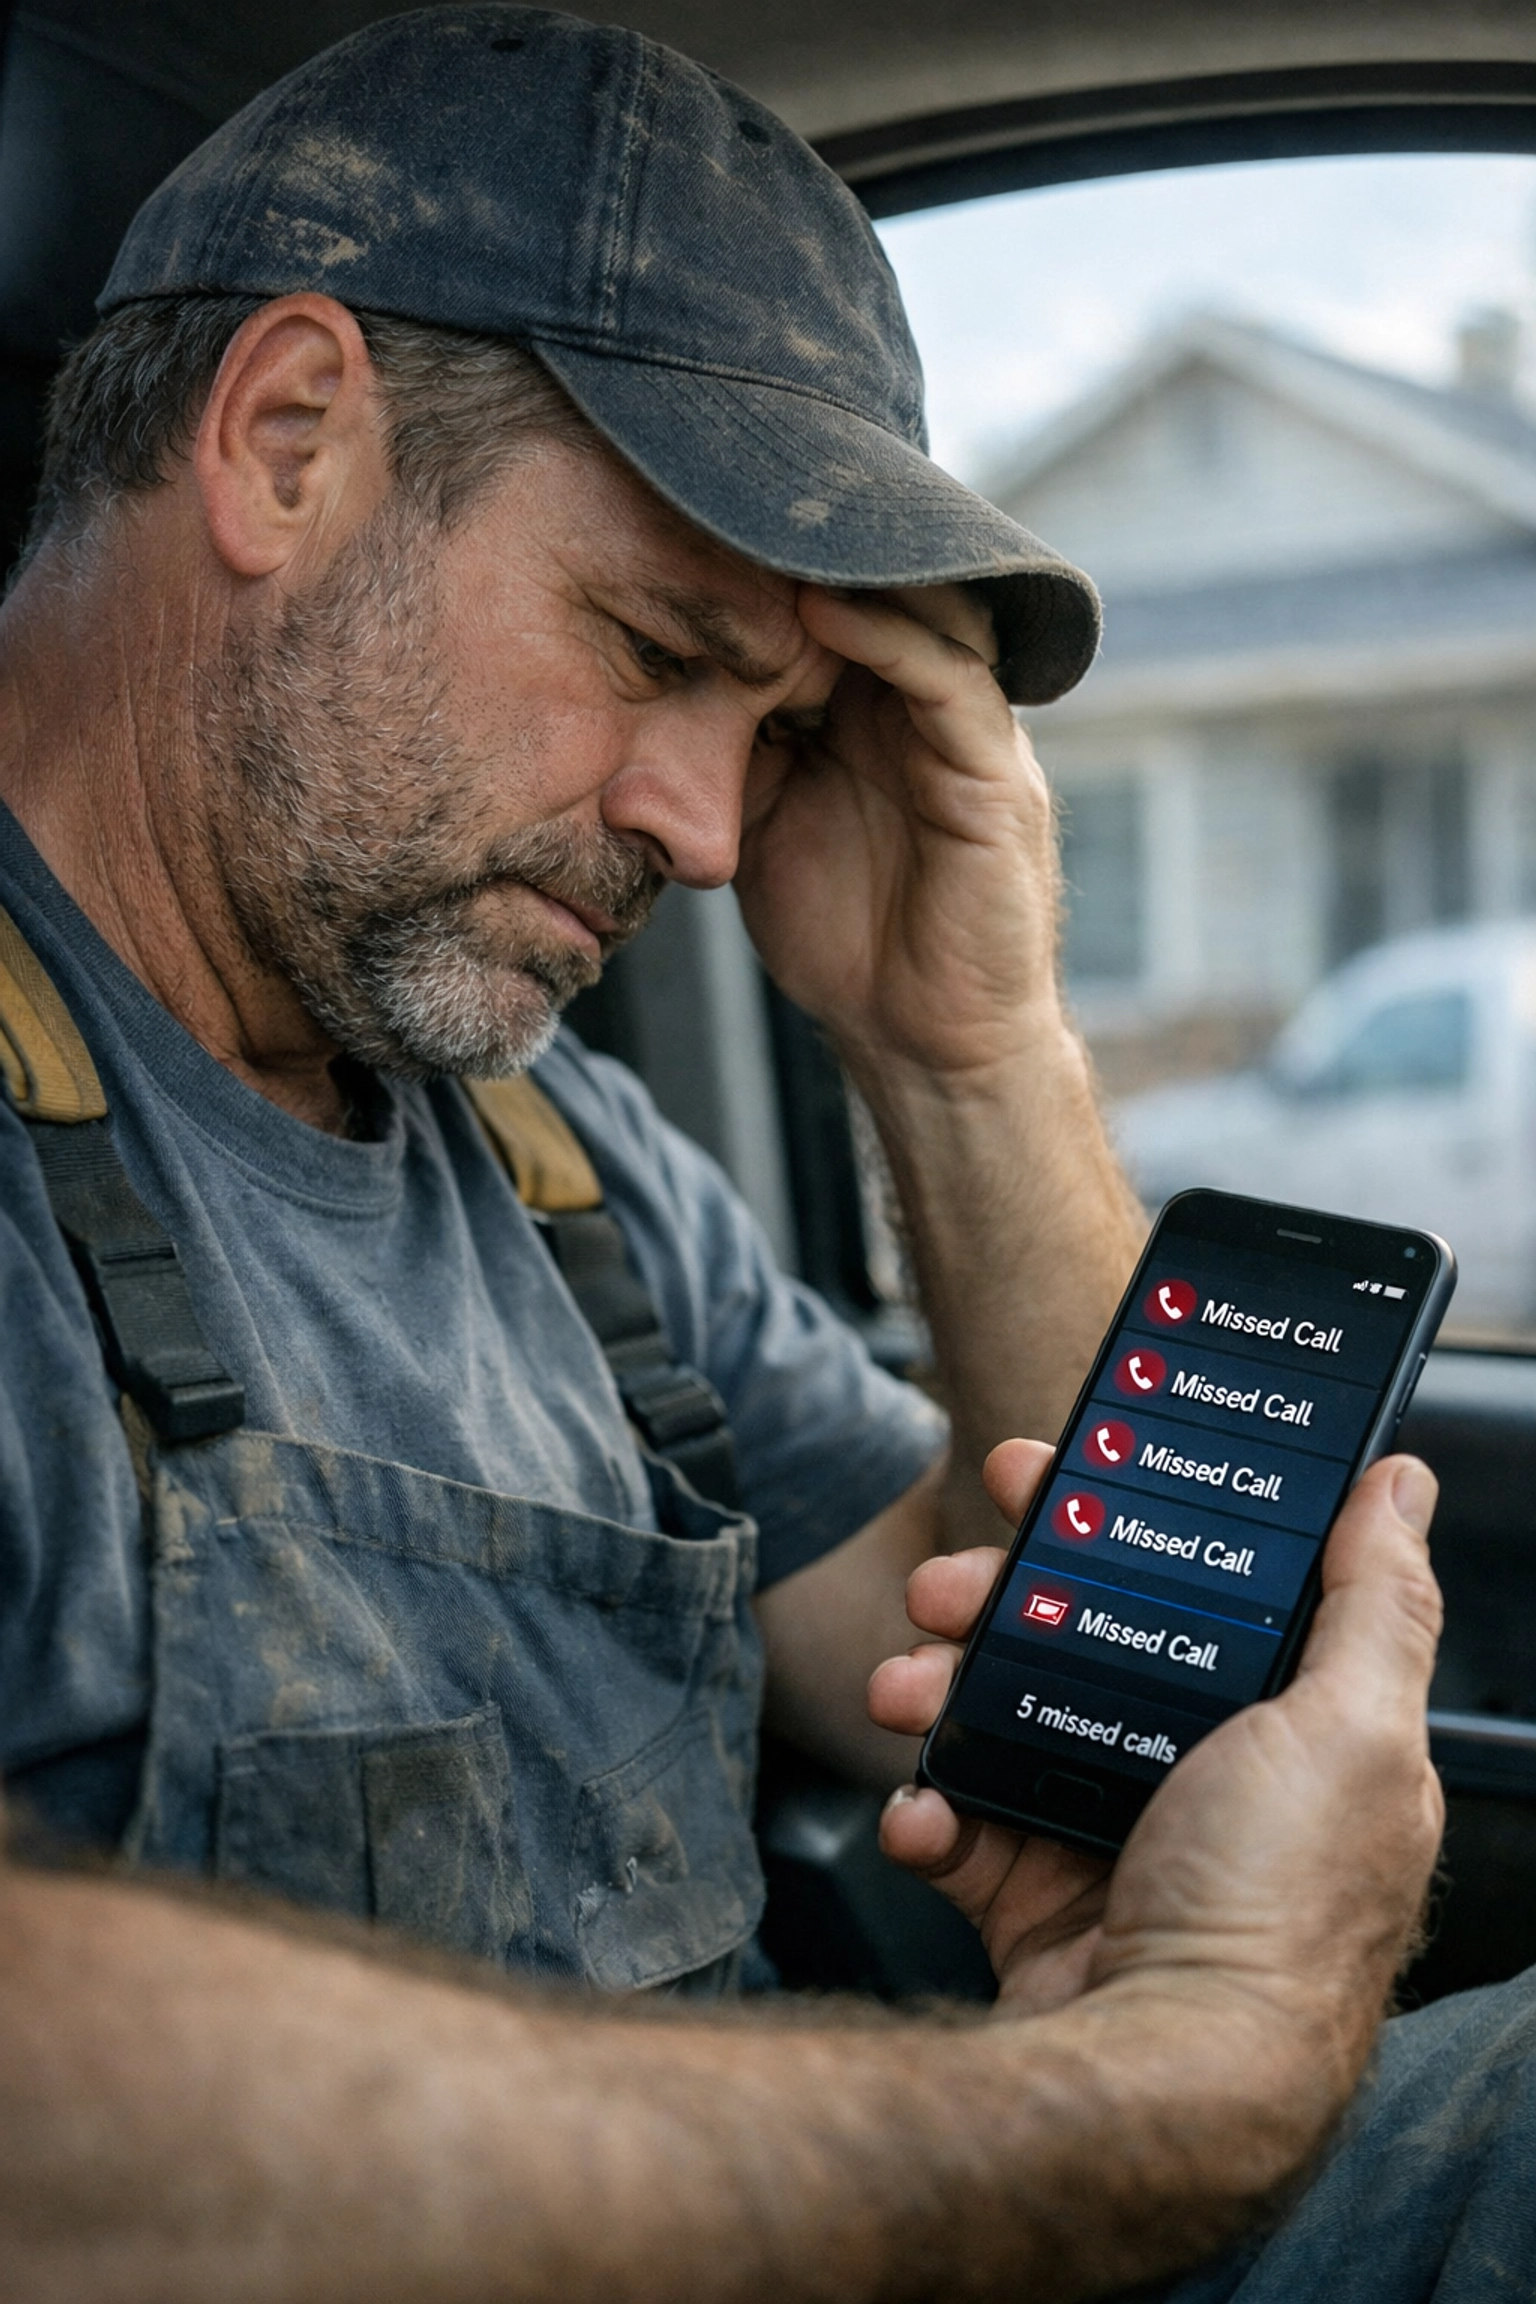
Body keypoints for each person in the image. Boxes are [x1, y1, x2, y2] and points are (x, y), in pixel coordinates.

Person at [0, 8, 1530, 2298]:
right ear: (291, 438)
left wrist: (963, 1046)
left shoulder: (565, 1162)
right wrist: (1116, 2107)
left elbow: (1026, 1649)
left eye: (783, 729)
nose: (707, 834)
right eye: (649, 644)